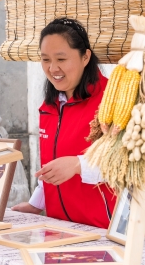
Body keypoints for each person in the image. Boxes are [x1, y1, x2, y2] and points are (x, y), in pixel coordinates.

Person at [12, 18, 116, 229]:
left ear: (85, 57)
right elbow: (50, 168)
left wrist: (79, 165)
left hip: (102, 229)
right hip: (59, 227)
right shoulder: (48, 107)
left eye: (61, 58)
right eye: (45, 60)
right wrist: (36, 204)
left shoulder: (110, 100)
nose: (53, 68)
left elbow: (125, 163)